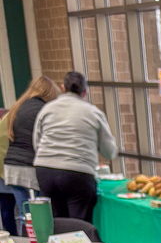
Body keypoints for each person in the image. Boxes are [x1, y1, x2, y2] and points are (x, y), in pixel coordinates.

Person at [33, 70, 117, 222]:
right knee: (80, 225)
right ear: (85, 92)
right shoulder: (93, 113)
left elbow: (36, 143)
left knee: (57, 222)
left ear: (62, 88)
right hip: (78, 173)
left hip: (45, 171)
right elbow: (109, 152)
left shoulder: (47, 109)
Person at [0, 75, 59, 234]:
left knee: (24, 213)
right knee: (41, 213)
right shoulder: (41, 110)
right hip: (26, 166)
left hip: (10, 166)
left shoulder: (18, 107)